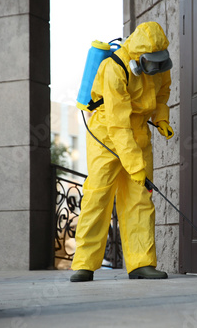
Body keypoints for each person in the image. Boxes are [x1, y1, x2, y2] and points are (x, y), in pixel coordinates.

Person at [70, 21, 174, 282]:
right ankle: (84, 263)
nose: (156, 67)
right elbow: (118, 124)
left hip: (137, 132)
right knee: (98, 196)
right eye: (151, 62)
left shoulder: (160, 64)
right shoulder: (113, 68)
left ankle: (141, 264)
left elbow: (162, 94)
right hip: (107, 132)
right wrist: (136, 166)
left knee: (140, 199)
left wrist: (162, 119)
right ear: (138, 58)